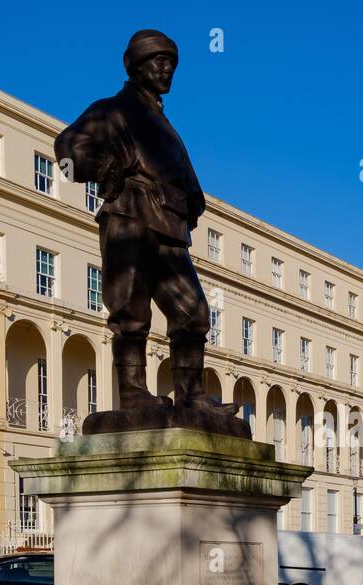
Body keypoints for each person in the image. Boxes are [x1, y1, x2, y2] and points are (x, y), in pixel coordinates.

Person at [55, 29, 236, 422]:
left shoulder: (165, 126)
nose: (167, 68)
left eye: (171, 61)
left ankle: (192, 397)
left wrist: (190, 202)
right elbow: (68, 150)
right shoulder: (112, 109)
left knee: (194, 313)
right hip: (130, 216)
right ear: (136, 66)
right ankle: (133, 393)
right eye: (158, 60)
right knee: (130, 311)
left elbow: (189, 184)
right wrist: (108, 169)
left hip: (170, 228)